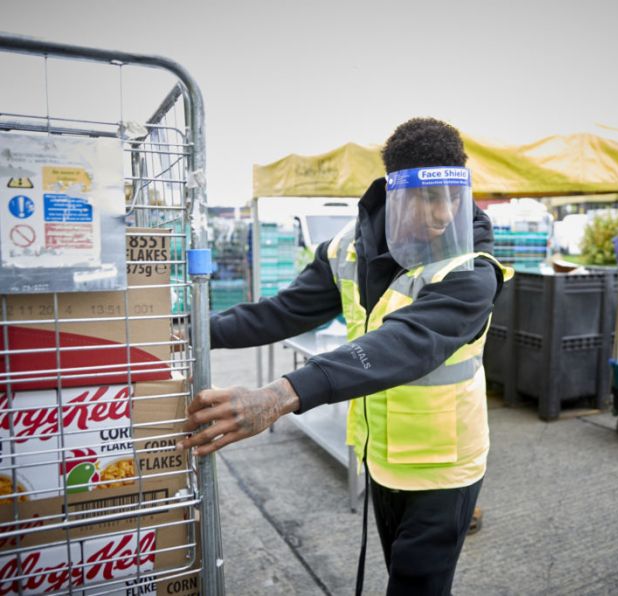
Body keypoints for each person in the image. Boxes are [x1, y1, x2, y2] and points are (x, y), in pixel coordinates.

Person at [177, 117, 512, 595]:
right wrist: (190, 332)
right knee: (400, 570)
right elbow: (284, 312)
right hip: (381, 456)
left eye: (453, 196)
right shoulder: (348, 249)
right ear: (394, 191)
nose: (444, 213)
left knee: (418, 585)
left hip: (444, 465)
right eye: (428, 196)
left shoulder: (472, 268)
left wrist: (281, 394)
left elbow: (405, 342)